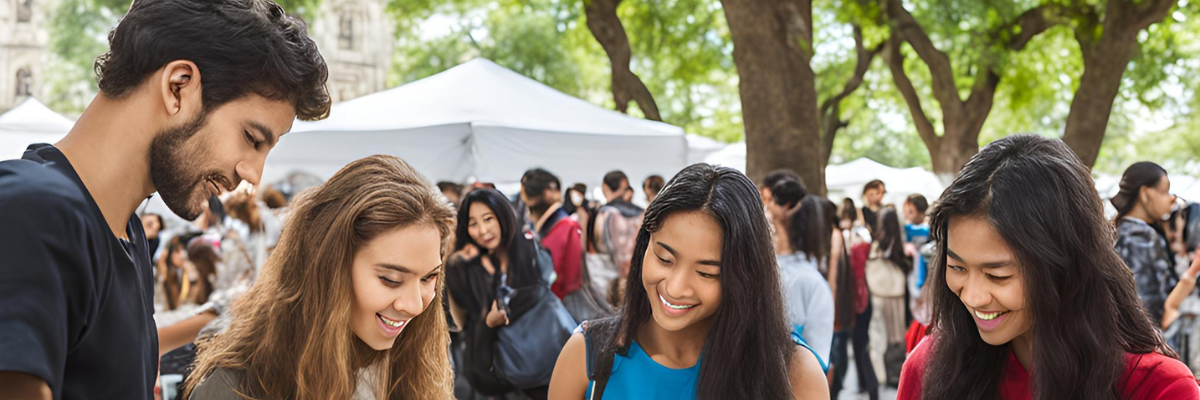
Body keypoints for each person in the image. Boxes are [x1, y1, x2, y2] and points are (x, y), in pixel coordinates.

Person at [0, 0, 329, 397]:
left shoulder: (127, 235)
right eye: (252, 138)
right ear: (178, 86)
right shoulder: (35, 211)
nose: (252, 175)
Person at [897, 135, 1198, 400]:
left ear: (1066, 266)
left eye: (997, 275)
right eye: (957, 267)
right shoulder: (929, 367)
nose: (974, 297)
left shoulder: (1156, 387)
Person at [548, 163, 829, 400]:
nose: (675, 288)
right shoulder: (587, 356)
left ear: (746, 277)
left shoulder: (794, 373)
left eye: (707, 273)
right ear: (644, 245)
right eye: (664, 259)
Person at [185, 155, 455, 399]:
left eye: (429, 278)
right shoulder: (237, 386)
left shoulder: (413, 364)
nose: (415, 305)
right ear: (327, 267)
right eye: (391, 279)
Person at [446, 188, 556, 399]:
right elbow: (462, 323)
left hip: (541, 359)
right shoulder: (464, 265)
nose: (482, 230)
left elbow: (548, 288)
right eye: (473, 223)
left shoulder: (527, 248)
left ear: (503, 216)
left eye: (488, 219)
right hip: (497, 371)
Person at [767, 178, 834, 363]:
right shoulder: (801, 276)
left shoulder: (803, 279)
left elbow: (816, 359)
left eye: (771, 202)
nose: (767, 210)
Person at [1113, 162, 1180, 326]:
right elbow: (1148, 305)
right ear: (1145, 193)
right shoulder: (1139, 236)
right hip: (1147, 339)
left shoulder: (1118, 230)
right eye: (1165, 192)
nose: (1171, 199)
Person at [867, 207, 912, 387]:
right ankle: (896, 374)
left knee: (880, 337)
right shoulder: (900, 243)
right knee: (897, 335)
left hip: (879, 293)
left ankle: (882, 375)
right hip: (897, 293)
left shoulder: (879, 244)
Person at [841, 198, 880, 400]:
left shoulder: (856, 246)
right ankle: (866, 383)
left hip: (860, 299)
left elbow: (856, 276)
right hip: (869, 297)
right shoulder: (870, 243)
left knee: (862, 344)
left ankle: (870, 385)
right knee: (862, 342)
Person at [592, 170, 645, 294]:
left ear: (604, 187)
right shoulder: (642, 213)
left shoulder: (604, 214)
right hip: (636, 283)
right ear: (624, 185)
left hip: (607, 287)